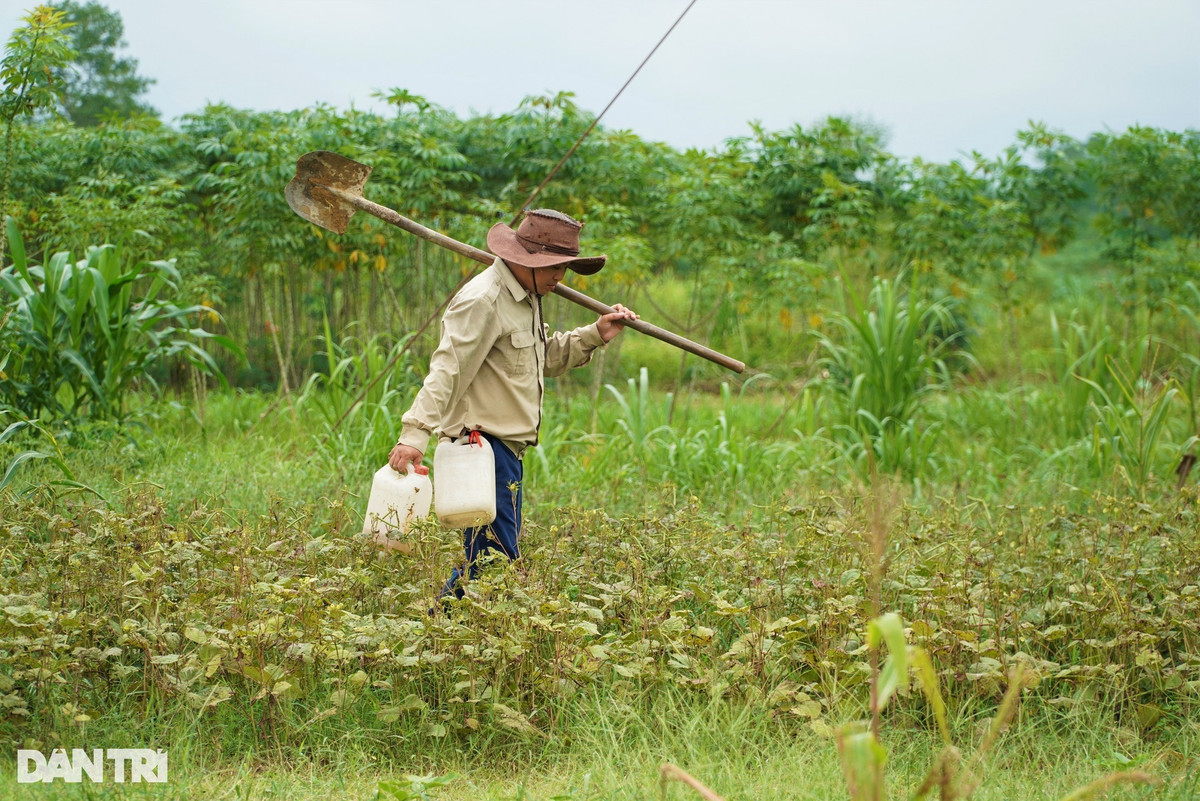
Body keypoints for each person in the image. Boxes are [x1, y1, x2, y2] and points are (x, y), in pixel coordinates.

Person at [387, 208, 637, 603]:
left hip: (507, 453)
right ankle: (463, 638)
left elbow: (543, 358)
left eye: (565, 267)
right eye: (555, 266)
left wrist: (595, 334)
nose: (561, 277)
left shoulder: (527, 298)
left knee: (486, 555)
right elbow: (448, 369)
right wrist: (415, 433)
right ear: (528, 260)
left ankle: (443, 626)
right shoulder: (484, 299)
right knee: (496, 559)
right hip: (481, 448)